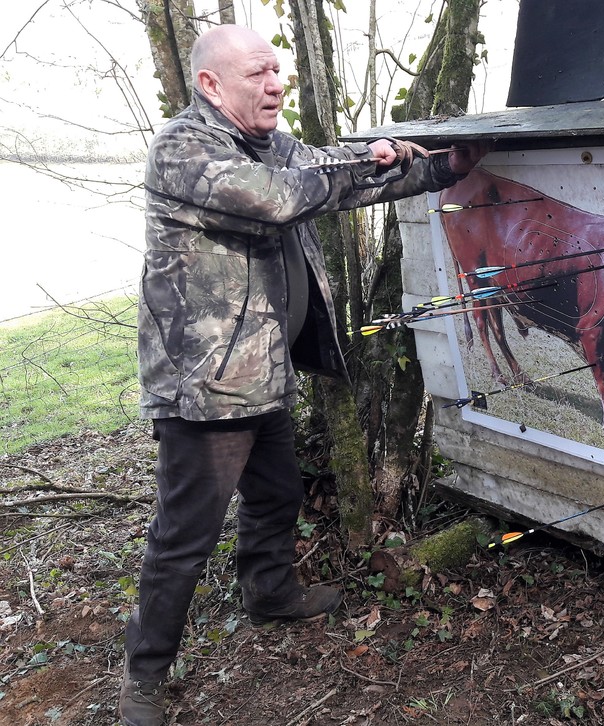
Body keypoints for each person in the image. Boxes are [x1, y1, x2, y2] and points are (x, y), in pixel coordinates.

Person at [119, 23, 486, 726]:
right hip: (206, 389)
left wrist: (445, 166)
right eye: (257, 73)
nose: (275, 84)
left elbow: (344, 177)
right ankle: (144, 677)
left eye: (276, 71)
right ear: (211, 85)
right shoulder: (184, 150)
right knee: (184, 537)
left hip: (265, 372)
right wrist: (365, 159)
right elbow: (281, 197)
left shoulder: (276, 145)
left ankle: (270, 594)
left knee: (277, 495)